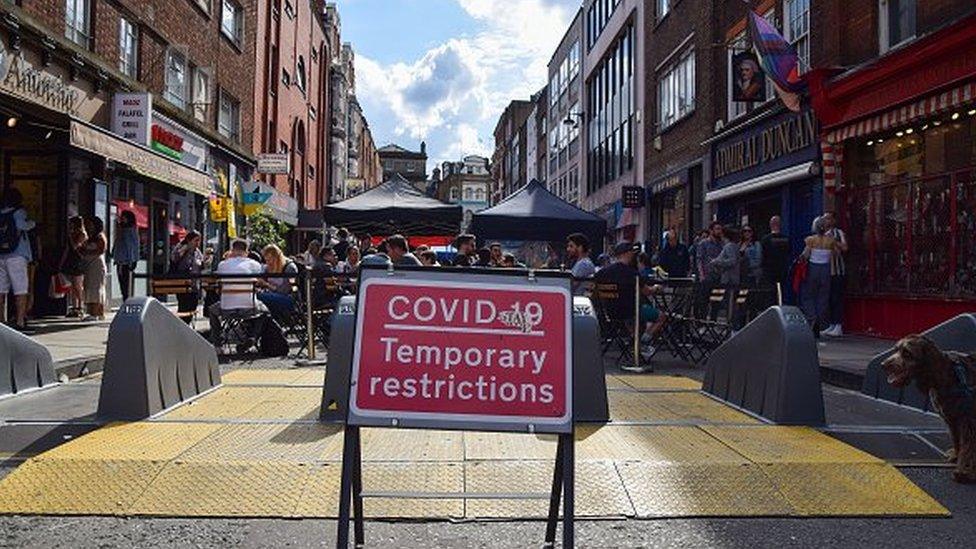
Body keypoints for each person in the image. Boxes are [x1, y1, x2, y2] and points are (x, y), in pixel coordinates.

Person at [208, 239, 266, 347]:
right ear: (247, 251)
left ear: (232, 250)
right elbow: (260, 279)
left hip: (226, 308)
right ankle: (253, 336)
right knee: (265, 311)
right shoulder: (255, 264)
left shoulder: (222, 265)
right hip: (249, 308)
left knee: (212, 310)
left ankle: (218, 344)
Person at [594, 242, 642, 372]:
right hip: (631, 311)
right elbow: (645, 290)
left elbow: (593, 283)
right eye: (632, 253)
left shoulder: (604, 272)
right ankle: (642, 344)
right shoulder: (632, 273)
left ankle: (634, 341)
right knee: (660, 316)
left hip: (610, 312)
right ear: (627, 254)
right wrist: (655, 288)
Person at [0, 188, 37, 331]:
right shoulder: (18, 212)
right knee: (20, 289)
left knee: (1, 289)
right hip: (17, 254)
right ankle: (20, 321)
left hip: (1, 254)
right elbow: (22, 225)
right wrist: (32, 223)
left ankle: (1, 322)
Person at [800, 217, 840, 338]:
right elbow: (837, 253)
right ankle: (821, 321)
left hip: (813, 268)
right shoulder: (831, 241)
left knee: (809, 295)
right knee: (823, 296)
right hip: (826, 269)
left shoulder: (810, 240)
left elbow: (805, 254)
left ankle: (812, 318)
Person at [822, 212, 849, 337]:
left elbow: (845, 248)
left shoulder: (838, 233)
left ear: (833, 220)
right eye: (824, 218)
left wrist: (834, 242)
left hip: (837, 270)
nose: (826, 221)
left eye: (828, 218)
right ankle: (832, 324)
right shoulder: (821, 234)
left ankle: (838, 325)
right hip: (826, 271)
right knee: (829, 298)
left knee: (837, 298)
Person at [170, 230, 204, 323]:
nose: (198, 243)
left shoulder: (197, 252)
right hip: (183, 284)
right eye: (196, 240)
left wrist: (204, 263)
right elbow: (174, 259)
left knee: (193, 305)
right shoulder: (181, 247)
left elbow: (200, 264)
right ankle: (182, 326)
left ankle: (186, 325)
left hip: (194, 284)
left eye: (199, 240)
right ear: (189, 240)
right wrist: (185, 249)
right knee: (184, 306)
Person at [257, 244, 298, 318]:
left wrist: (266, 285)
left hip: (288, 298)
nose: (268, 262)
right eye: (266, 260)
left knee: (259, 296)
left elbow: (285, 290)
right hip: (272, 295)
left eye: (269, 259)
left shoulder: (289, 268)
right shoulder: (268, 268)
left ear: (276, 258)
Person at [79, 216, 108, 321]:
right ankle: (95, 311)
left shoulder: (100, 236)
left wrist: (87, 252)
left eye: (91, 224)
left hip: (97, 264)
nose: (89, 226)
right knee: (89, 286)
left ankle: (95, 312)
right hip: (89, 264)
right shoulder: (89, 237)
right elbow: (81, 249)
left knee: (96, 287)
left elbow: (101, 250)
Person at [62, 216, 87, 318]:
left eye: (72, 223)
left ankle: (81, 306)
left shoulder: (82, 234)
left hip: (78, 261)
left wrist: (71, 238)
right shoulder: (72, 234)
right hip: (71, 261)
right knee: (72, 286)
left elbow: (75, 246)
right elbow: (67, 250)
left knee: (78, 286)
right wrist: (62, 262)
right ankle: (74, 307)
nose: (70, 225)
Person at [113, 210, 140, 303]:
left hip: (126, 261)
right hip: (120, 260)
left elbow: (132, 246)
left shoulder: (130, 230)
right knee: (122, 283)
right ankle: (125, 299)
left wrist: (133, 260)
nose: (122, 219)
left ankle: (127, 300)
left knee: (125, 283)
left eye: (124, 217)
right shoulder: (122, 229)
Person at [760, 215, 792, 292]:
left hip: (769, 270)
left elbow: (762, 254)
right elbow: (789, 252)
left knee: (770, 291)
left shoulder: (765, 239)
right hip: (782, 269)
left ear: (771, 224)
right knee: (781, 290)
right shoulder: (786, 239)